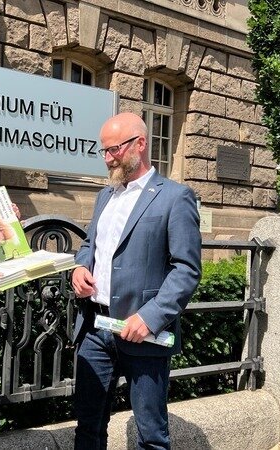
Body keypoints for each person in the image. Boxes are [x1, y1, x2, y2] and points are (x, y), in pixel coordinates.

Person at [70, 112, 202, 449]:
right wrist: (80, 268)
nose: (107, 158)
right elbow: (89, 245)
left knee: (151, 435)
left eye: (113, 149)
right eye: (103, 150)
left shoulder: (175, 197)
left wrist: (149, 318)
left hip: (143, 333)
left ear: (140, 144)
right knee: (87, 426)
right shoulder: (105, 196)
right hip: (95, 328)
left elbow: (186, 269)